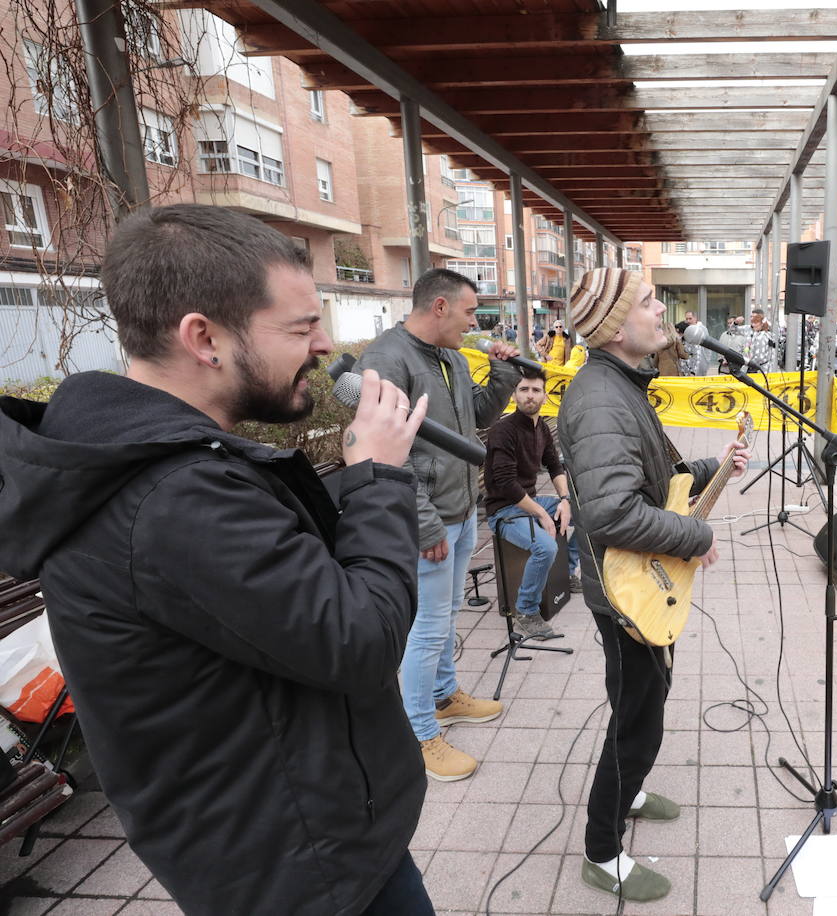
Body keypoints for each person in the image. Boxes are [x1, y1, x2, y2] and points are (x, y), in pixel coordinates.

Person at [0, 204, 434, 914]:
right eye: (299, 328)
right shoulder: (174, 498)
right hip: (300, 869)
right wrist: (379, 477)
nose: (324, 345)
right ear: (203, 337)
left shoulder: (162, 463)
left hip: (301, 839)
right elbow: (358, 638)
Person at [559, 267, 750, 902]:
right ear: (614, 327)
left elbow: (652, 476)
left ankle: (630, 790)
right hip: (623, 590)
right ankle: (601, 850)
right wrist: (697, 539)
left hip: (638, 581)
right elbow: (612, 512)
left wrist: (710, 468)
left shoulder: (620, 385)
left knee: (645, 697)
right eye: (646, 301)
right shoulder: (600, 398)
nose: (661, 308)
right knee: (637, 718)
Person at [357, 268, 520, 781]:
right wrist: (424, 525)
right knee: (425, 631)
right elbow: (386, 454)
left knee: (444, 617)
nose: (474, 324)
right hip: (427, 519)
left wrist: (504, 375)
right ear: (441, 307)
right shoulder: (386, 359)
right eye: (470, 312)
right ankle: (419, 733)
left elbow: (472, 417)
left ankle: (445, 696)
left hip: (461, 507)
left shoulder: (448, 356)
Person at [484, 367, 580, 640]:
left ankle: (569, 571)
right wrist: (542, 514)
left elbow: (554, 466)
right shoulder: (503, 431)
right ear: (514, 394)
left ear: (545, 396)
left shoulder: (542, 430)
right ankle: (525, 611)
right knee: (545, 546)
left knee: (590, 514)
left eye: (535, 390)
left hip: (530, 501)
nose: (530, 395)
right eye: (523, 389)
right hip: (503, 511)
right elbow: (504, 483)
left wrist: (564, 501)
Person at [742, 308, 778, 372]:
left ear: (762, 324)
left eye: (756, 323)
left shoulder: (762, 337)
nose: (753, 325)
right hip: (756, 367)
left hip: (759, 370)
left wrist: (748, 361)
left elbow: (759, 357)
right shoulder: (758, 334)